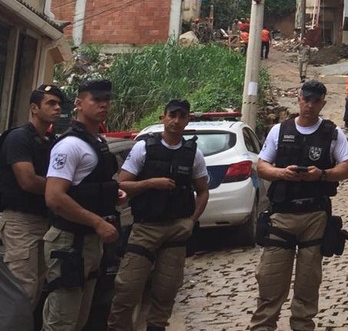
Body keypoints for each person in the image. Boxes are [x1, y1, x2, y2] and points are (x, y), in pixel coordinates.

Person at [249, 80, 348, 331]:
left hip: (314, 217)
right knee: (270, 280)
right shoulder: (279, 130)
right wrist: (280, 173)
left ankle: (302, 326)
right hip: (282, 215)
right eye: (305, 99)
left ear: (323, 103)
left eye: (315, 101)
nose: (309, 105)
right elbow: (261, 166)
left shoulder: (331, 133)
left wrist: (321, 174)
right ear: (298, 99)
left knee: (308, 284)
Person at [107, 99, 209, 331]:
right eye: (172, 115)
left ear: (187, 120)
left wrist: (191, 222)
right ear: (163, 117)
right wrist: (151, 183)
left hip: (176, 231)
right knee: (127, 290)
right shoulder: (144, 148)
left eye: (181, 116)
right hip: (145, 228)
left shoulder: (193, 154)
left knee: (166, 292)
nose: (176, 120)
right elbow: (121, 185)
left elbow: (203, 191)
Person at [42, 79, 124, 331]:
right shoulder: (69, 145)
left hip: (89, 242)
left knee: (80, 321)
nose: (103, 105)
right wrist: (97, 222)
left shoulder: (96, 142)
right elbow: (54, 197)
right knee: (61, 322)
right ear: (78, 103)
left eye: (106, 100)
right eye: (96, 100)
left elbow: (87, 188)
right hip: (69, 242)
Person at [0, 84, 65, 306]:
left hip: (45, 220)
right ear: (34, 108)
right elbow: (27, 181)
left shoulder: (51, 142)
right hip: (21, 222)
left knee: (36, 288)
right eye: (51, 103)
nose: (57, 108)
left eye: (59, 104)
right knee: (21, 290)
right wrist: (60, 189)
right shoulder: (19, 138)